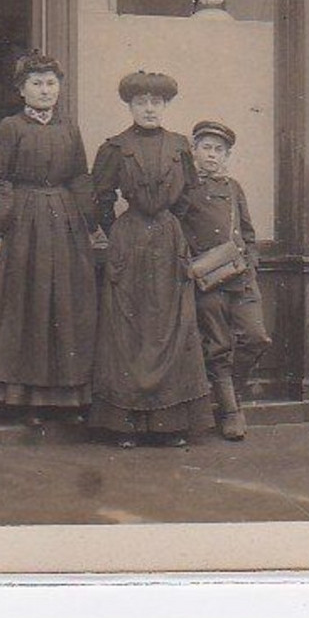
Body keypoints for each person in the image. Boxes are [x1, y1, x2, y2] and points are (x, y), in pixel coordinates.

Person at [89, 72, 214, 447]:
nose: (148, 108)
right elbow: (99, 197)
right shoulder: (114, 147)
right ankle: (125, 425)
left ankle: (169, 425)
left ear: (165, 106)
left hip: (168, 241)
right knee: (128, 332)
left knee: (171, 328)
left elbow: (190, 195)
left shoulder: (179, 146)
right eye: (141, 102)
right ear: (129, 106)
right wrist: (116, 235)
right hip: (129, 243)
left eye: (156, 102)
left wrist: (174, 229)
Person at [0, 54, 98, 419]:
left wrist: (91, 221)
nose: (45, 90)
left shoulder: (68, 128)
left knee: (65, 303)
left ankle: (67, 396)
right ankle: (26, 398)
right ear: (21, 90)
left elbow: (80, 175)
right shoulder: (10, 128)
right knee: (29, 304)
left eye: (50, 83)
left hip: (64, 222)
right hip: (25, 220)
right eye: (36, 83)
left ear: (59, 88)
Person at [176, 119, 273, 441]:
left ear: (227, 155)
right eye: (206, 148)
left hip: (241, 278)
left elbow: (247, 231)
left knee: (256, 338)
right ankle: (231, 411)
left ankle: (233, 394)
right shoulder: (185, 190)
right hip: (207, 281)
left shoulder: (233, 188)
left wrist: (252, 264)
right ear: (194, 151)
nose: (212, 155)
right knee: (218, 346)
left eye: (219, 150)